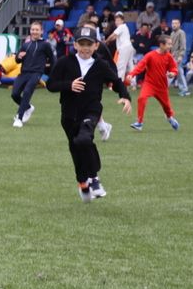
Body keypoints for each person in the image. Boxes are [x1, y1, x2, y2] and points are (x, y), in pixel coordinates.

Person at [46, 26, 131, 202]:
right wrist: (68, 85)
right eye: (82, 43)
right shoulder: (64, 62)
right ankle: (82, 182)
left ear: (96, 46)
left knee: (84, 139)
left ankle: (94, 179)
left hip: (91, 111)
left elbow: (116, 81)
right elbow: (51, 85)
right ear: (75, 45)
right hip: (69, 114)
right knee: (76, 148)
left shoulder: (101, 65)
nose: (85, 48)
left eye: (89, 44)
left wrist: (125, 96)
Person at [125, 34, 180, 132]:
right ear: (161, 45)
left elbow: (174, 68)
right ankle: (139, 123)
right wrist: (132, 74)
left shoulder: (169, 56)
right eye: (169, 44)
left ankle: (170, 118)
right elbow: (140, 65)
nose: (170, 46)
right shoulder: (150, 55)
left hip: (162, 86)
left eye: (171, 44)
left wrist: (172, 73)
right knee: (141, 98)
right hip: (149, 84)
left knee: (166, 106)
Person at [10, 22, 56, 127]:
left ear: (41, 32)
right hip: (23, 73)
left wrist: (53, 74)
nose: (34, 32)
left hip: (36, 73)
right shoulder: (26, 45)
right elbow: (17, 60)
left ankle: (19, 118)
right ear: (30, 31)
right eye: (33, 29)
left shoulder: (45, 45)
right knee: (15, 94)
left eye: (37, 30)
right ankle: (28, 107)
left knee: (27, 92)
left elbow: (53, 59)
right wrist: (19, 57)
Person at [105, 14, 134, 80]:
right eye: (116, 20)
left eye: (119, 20)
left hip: (124, 48)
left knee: (121, 66)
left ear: (122, 21)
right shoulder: (124, 27)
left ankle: (120, 83)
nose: (117, 22)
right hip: (129, 47)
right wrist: (108, 41)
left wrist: (106, 41)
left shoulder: (121, 26)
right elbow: (114, 37)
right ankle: (133, 84)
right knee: (130, 66)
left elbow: (112, 35)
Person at [168, 18, 190, 96]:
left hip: (177, 56)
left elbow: (183, 46)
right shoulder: (172, 33)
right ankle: (184, 89)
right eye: (173, 23)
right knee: (177, 72)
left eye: (176, 23)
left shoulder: (181, 32)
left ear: (179, 24)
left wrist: (181, 56)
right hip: (172, 56)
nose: (174, 25)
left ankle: (185, 89)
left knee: (179, 72)